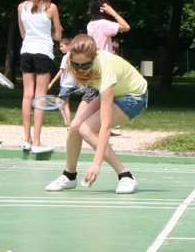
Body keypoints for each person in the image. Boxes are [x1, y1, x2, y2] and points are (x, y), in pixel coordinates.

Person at [44, 34, 147, 194]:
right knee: (74, 127)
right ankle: (69, 176)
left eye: (85, 66)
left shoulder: (106, 69)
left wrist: (96, 163)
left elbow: (105, 126)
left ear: (94, 58)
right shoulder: (72, 63)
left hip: (134, 97)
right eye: (76, 65)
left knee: (86, 129)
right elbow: (91, 90)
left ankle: (126, 176)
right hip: (113, 91)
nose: (81, 69)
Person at [18, 0, 63, 154]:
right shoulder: (51, 8)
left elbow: (23, 34)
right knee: (40, 97)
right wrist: (52, 30)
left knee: (27, 94)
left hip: (26, 50)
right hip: (43, 52)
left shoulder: (21, 7)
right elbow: (58, 37)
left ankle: (27, 139)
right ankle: (37, 141)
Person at [47, 36, 76, 126]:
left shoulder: (66, 57)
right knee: (59, 102)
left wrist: (51, 83)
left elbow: (61, 71)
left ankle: (68, 123)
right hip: (71, 84)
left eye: (62, 46)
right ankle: (66, 121)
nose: (60, 48)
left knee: (64, 103)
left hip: (66, 84)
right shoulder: (74, 57)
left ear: (68, 46)